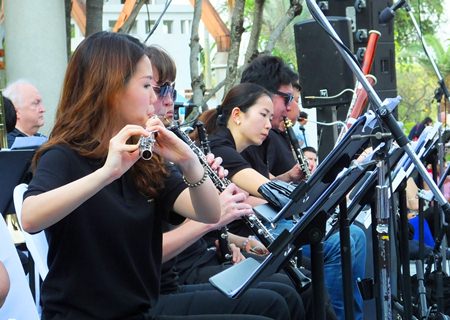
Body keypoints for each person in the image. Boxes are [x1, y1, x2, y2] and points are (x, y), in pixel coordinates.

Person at [20, 32, 297, 320]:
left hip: (140, 310)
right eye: (147, 86)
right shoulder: (64, 154)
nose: (154, 98)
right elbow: (30, 217)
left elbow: (209, 212)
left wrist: (190, 163)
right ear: (112, 89)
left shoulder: (144, 158)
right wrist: (107, 173)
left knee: (271, 307)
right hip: (82, 315)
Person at [146, 45, 306, 320]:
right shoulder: (217, 146)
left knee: (285, 289)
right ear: (237, 115)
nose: (169, 101)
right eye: (158, 88)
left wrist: (235, 242)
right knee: (280, 294)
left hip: (194, 261)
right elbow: (212, 216)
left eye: (170, 90)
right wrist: (217, 215)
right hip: (175, 278)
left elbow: (203, 219)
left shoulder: (163, 156)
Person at [204, 54, 366, 320]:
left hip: (260, 227)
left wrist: (290, 179)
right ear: (238, 114)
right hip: (242, 234)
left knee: (350, 234)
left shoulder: (256, 142)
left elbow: (263, 189)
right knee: (339, 242)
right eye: (263, 114)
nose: (269, 124)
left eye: (270, 116)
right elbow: (265, 192)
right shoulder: (220, 146)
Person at [3, 80, 46, 148]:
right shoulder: (7, 145)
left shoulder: (43, 139)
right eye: (35, 103)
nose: (43, 110)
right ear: (16, 111)